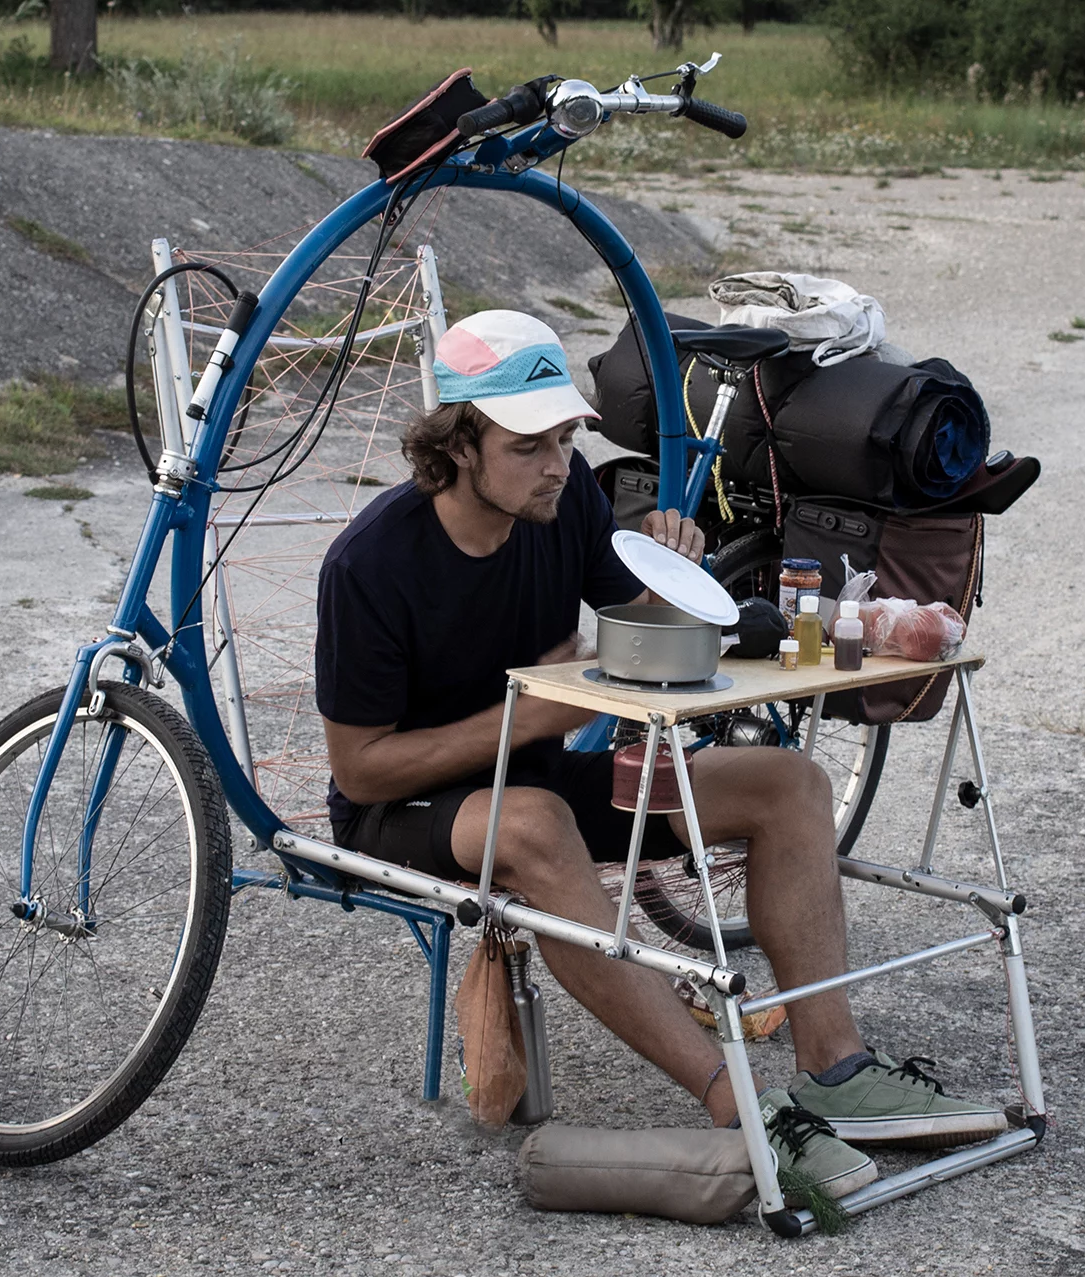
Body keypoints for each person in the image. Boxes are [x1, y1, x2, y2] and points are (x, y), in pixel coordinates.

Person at [314, 310, 1007, 1205]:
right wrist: (527, 720)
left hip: (530, 778)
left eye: (566, 436)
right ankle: (737, 1105)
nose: (558, 463)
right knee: (533, 821)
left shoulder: (563, 506)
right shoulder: (370, 563)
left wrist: (678, 579)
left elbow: (643, 625)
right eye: (530, 444)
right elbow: (360, 771)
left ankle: (837, 1069)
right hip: (406, 813)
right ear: (453, 446)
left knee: (786, 782)